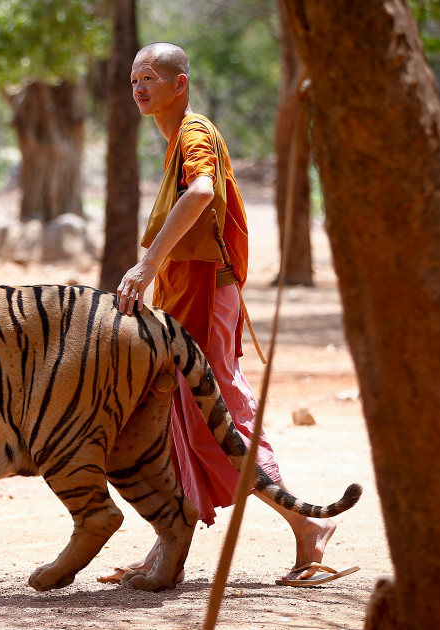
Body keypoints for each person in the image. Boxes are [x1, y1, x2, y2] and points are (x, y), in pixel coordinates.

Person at [102, 42, 351, 587]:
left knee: (220, 412)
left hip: (203, 291)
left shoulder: (193, 133)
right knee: (181, 415)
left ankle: (306, 525)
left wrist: (147, 263)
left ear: (180, 83)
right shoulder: (175, 139)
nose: (139, 87)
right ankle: (168, 539)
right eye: (132, 80)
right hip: (186, 292)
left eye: (149, 77)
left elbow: (202, 192)